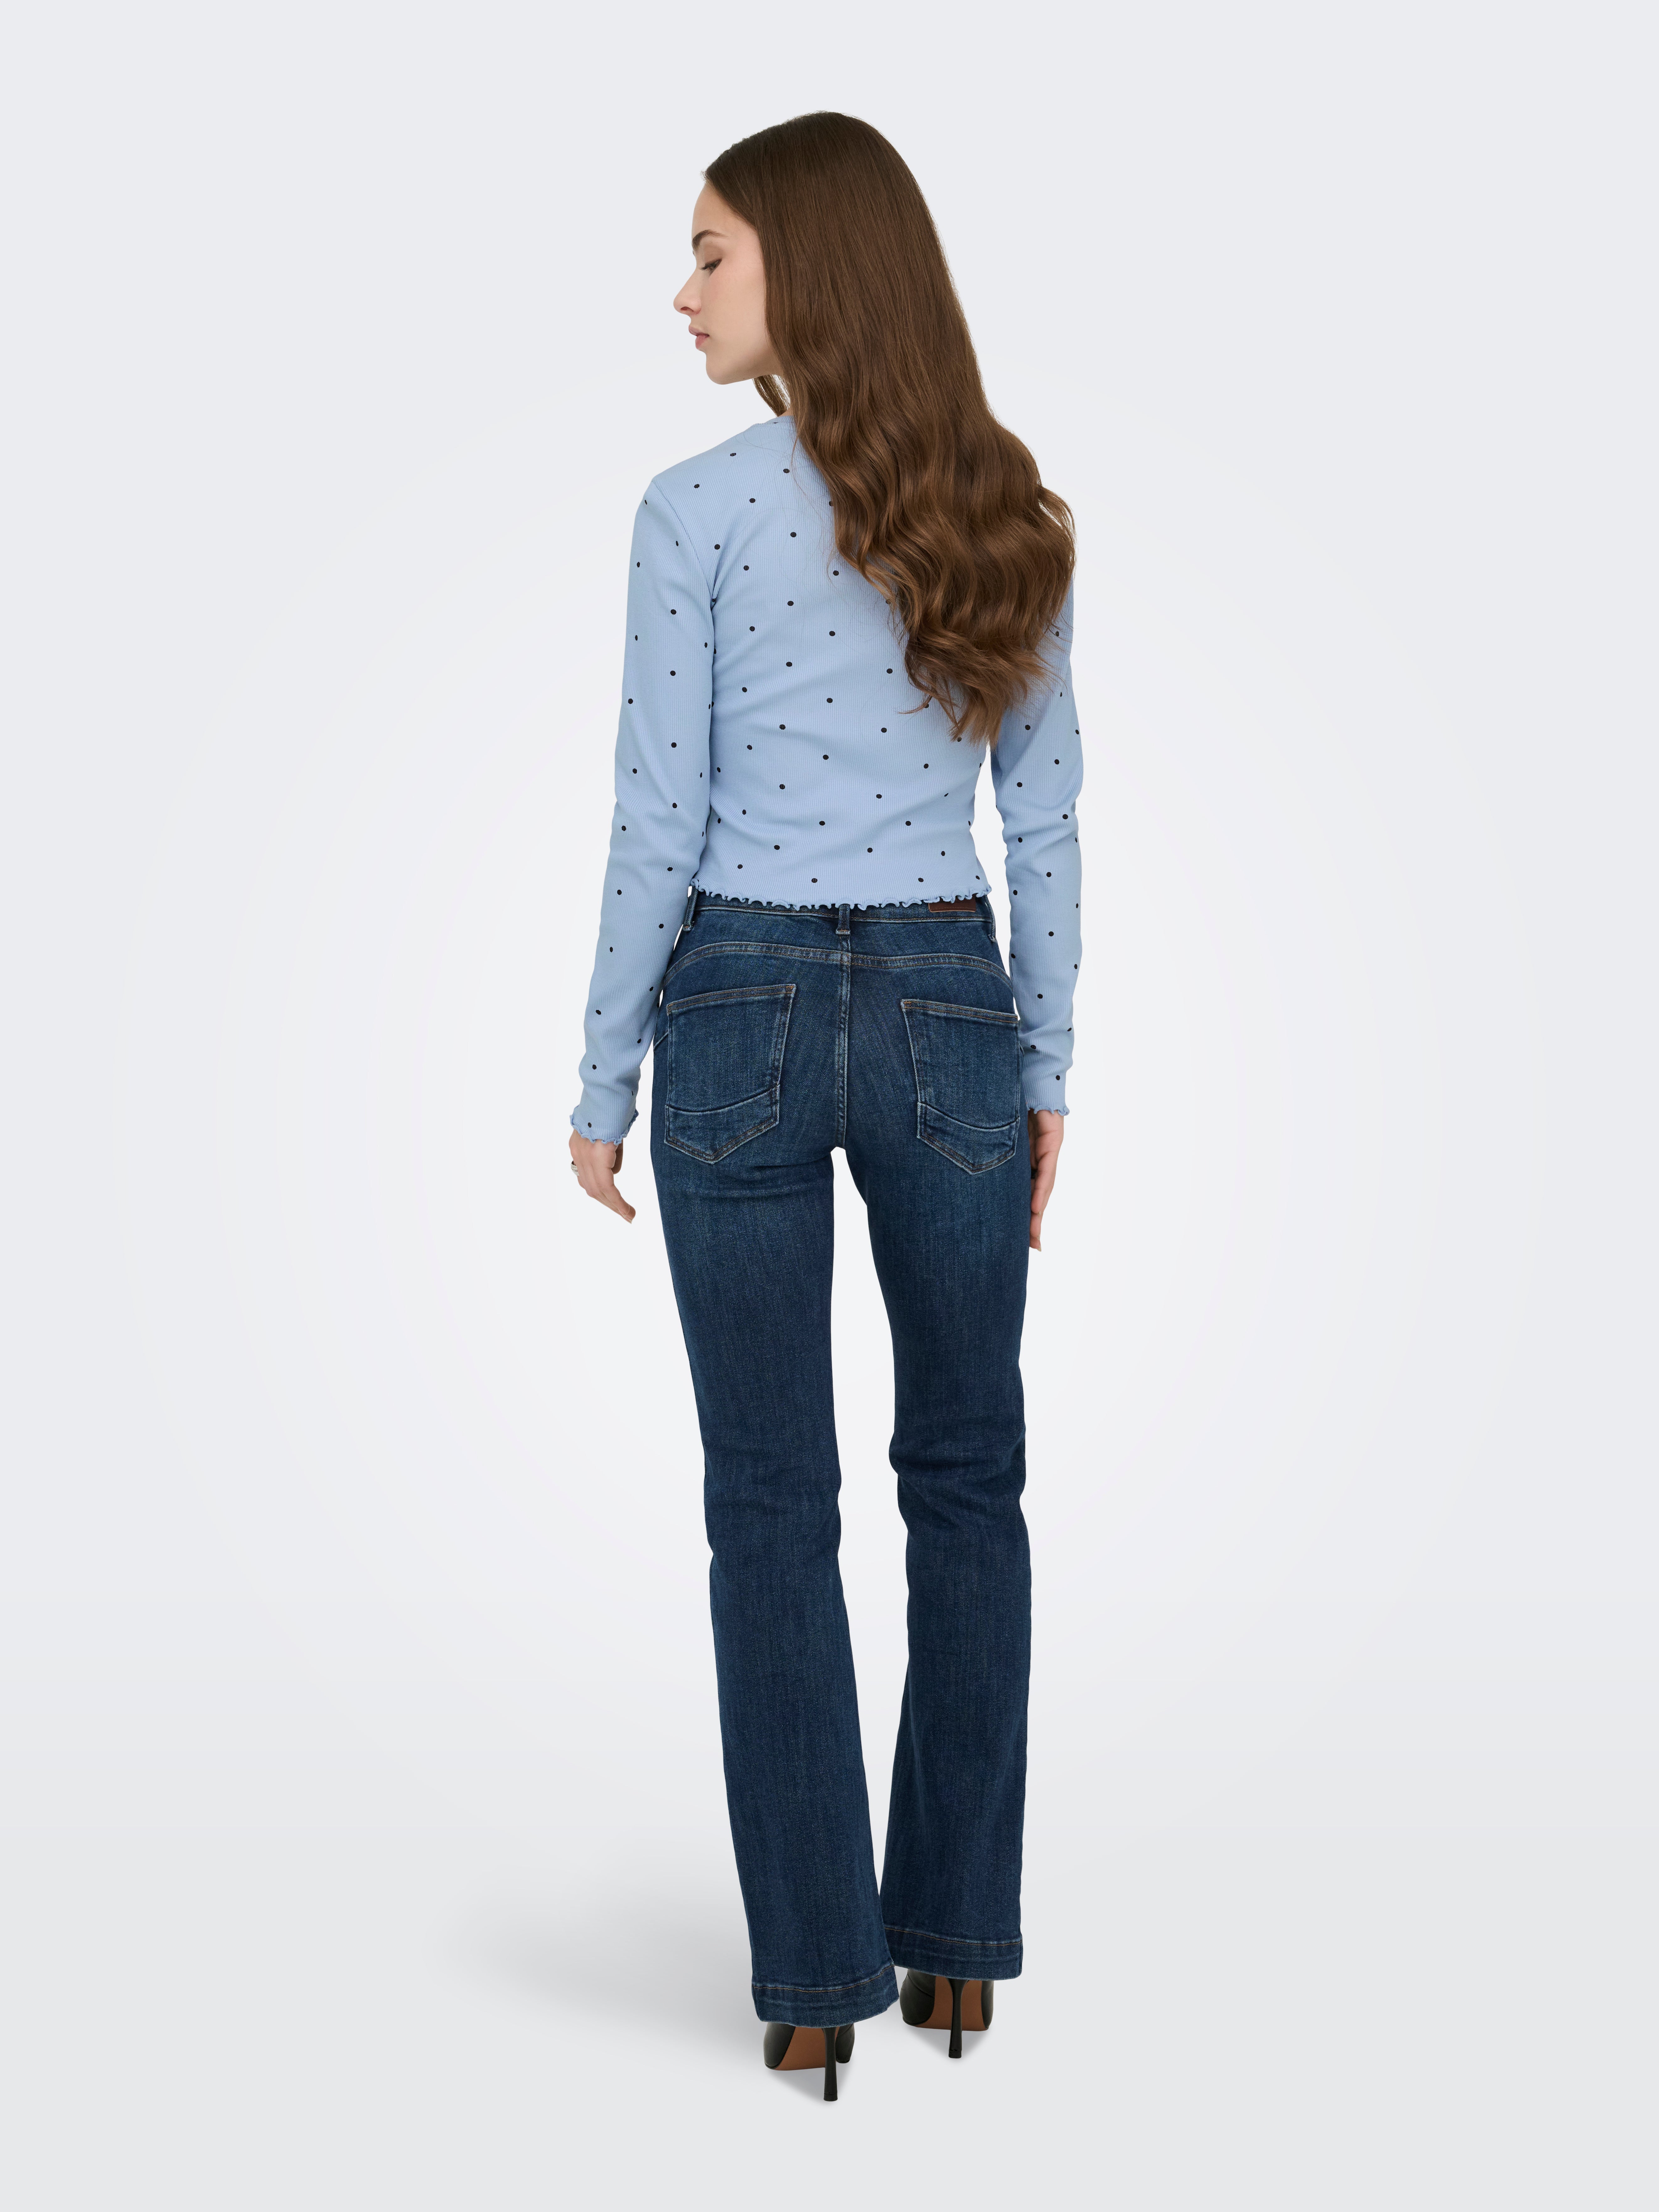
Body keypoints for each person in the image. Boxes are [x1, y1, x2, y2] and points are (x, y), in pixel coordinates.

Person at [567, 111, 1082, 2102]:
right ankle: (951, 1949)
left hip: (741, 1010)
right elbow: (1043, 823)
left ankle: (811, 1983)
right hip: (952, 1005)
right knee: (966, 1477)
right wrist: (1043, 1071)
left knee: (768, 1504)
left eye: (711, 252)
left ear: (810, 261)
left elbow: (655, 818)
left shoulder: (691, 514)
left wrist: (601, 1070)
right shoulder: (1006, 507)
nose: (681, 290)